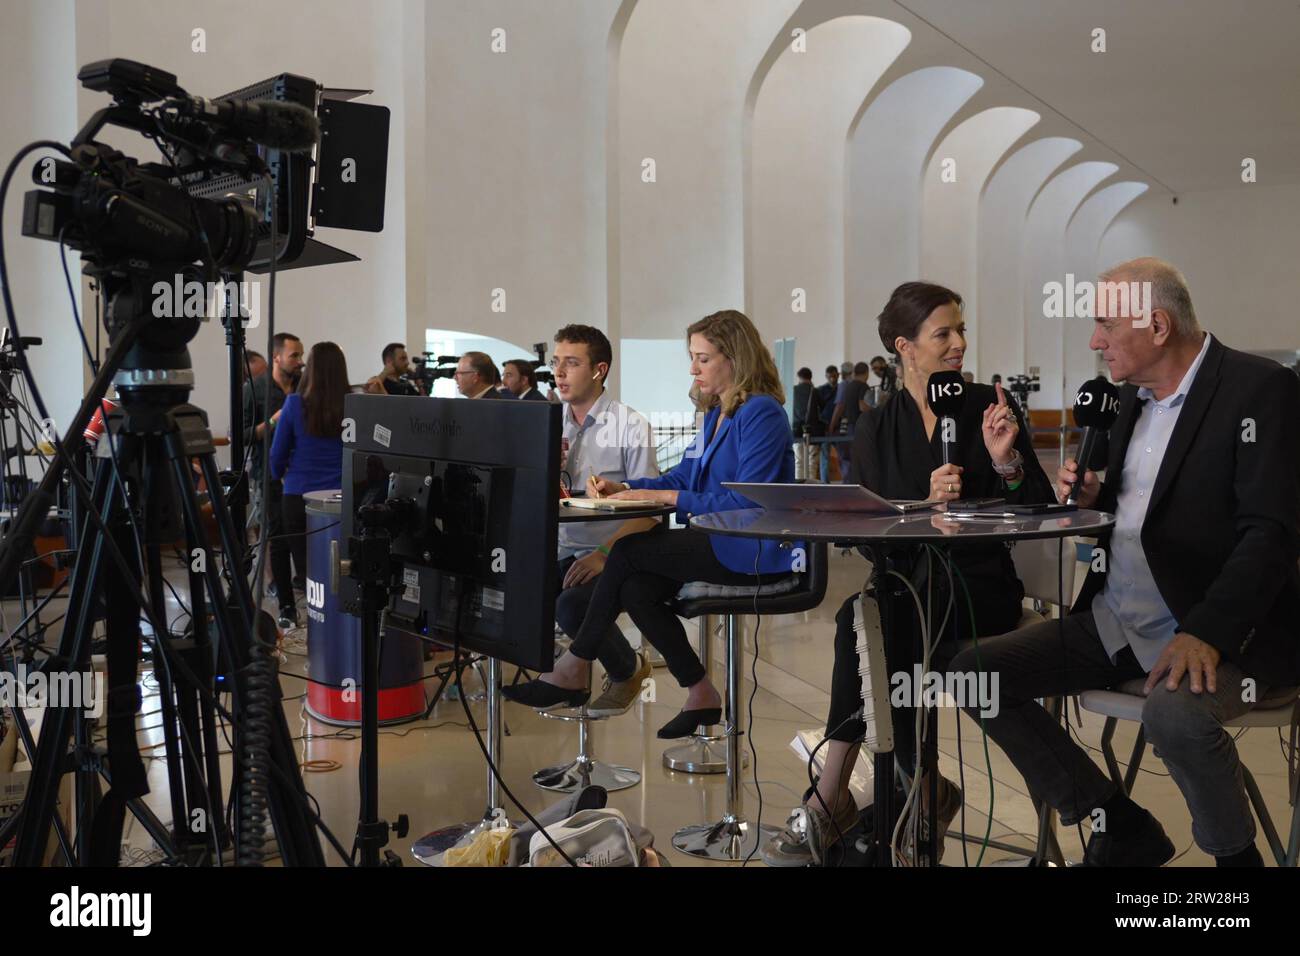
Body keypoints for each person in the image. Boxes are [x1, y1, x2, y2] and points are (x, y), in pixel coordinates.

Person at [949, 257, 1300, 868]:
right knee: (971, 672)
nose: (1094, 341)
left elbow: (1270, 534)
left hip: (1221, 630)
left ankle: (1235, 869)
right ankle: (1120, 822)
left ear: (1158, 326)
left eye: (1105, 325)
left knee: (1177, 716)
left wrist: (1206, 633)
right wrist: (1096, 498)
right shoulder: (1128, 399)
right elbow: (1149, 507)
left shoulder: (1260, 390)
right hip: (1118, 619)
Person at [763, 282, 1055, 867]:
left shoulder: (987, 407)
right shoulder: (875, 426)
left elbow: (1042, 510)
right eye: (943, 333)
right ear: (906, 347)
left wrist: (1006, 462)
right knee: (874, 615)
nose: (958, 344)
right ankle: (919, 789)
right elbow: (877, 533)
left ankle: (839, 795)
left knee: (866, 620)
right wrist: (920, 506)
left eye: (961, 330)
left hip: (980, 587)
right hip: (907, 583)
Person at [505, 310, 797, 738]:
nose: (693, 368)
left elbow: (749, 503)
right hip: (716, 538)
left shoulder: (761, 413)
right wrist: (625, 487)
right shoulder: (719, 413)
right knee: (634, 587)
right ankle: (700, 692)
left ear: (735, 358)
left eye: (703, 358)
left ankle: (575, 663)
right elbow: (682, 477)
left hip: (750, 544)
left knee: (627, 552)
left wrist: (665, 497)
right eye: (693, 358)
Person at [502, 325, 660, 715]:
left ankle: (626, 670)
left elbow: (652, 512)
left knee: (572, 606)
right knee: (509, 593)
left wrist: (605, 554)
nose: (559, 372)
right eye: (556, 363)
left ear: (598, 370)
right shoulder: (547, 422)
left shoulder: (630, 425)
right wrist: (546, 467)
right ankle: (564, 668)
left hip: (615, 552)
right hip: (559, 547)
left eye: (572, 363)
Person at [268, 342, 351, 629]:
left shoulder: (294, 404)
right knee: (340, 569)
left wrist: (281, 474)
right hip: (342, 499)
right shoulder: (353, 404)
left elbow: (276, 456)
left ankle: (314, 631)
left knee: (308, 573)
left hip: (299, 496)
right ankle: (340, 630)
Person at [243, 333, 304, 603]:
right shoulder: (254, 390)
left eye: (301, 355)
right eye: (295, 356)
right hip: (268, 473)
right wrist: (273, 421)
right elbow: (240, 436)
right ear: (277, 357)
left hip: (301, 475)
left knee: (303, 534)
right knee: (276, 535)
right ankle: (281, 595)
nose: (300, 361)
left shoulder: (304, 387)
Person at [828, 361, 871, 482]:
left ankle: (847, 485)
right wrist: (878, 409)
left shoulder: (848, 386)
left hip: (846, 428)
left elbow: (841, 406)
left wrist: (832, 425)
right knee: (859, 459)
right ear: (867, 373)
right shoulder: (863, 386)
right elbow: (862, 406)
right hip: (859, 427)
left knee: (847, 459)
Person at [816, 365, 840, 481]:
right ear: (826, 376)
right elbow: (818, 409)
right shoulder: (821, 390)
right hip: (825, 426)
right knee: (825, 455)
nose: (832, 379)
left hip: (839, 427)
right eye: (830, 377)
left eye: (834, 376)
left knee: (842, 455)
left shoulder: (841, 389)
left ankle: (846, 480)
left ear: (838, 375)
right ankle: (824, 482)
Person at [790, 366, 823, 443]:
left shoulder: (793, 390)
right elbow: (822, 407)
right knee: (812, 454)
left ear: (799, 377)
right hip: (812, 429)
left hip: (796, 428)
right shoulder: (815, 391)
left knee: (798, 453)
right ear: (810, 377)